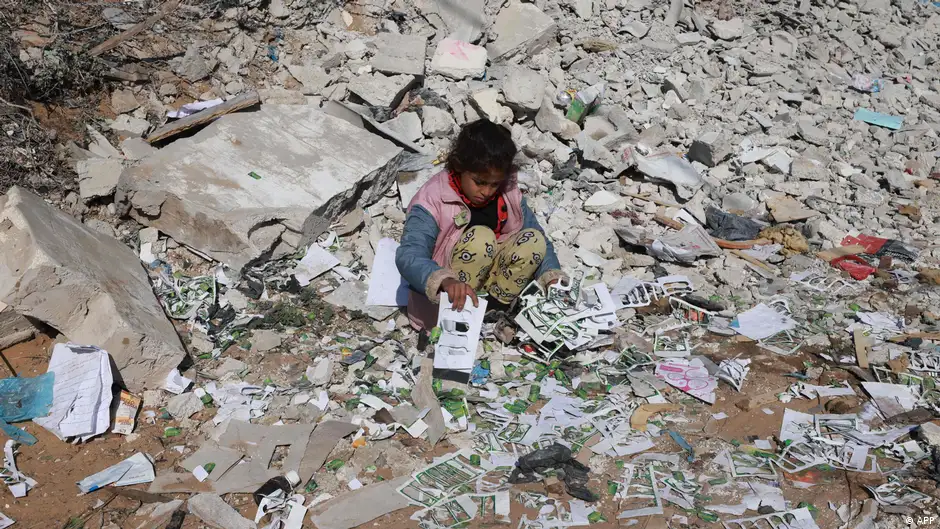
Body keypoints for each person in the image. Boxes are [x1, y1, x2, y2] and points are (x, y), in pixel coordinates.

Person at [396, 119, 567, 331]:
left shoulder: (508, 191)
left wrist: (552, 276)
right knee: (480, 238)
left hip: (489, 280)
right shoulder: (432, 199)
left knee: (533, 241)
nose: (487, 192)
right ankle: (463, 315)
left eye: (494, 184)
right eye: (479, 182)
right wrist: (445, 281)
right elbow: (409, 255)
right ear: (460, 167)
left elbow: (537, 235)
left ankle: (495, 310)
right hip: (448, 297)